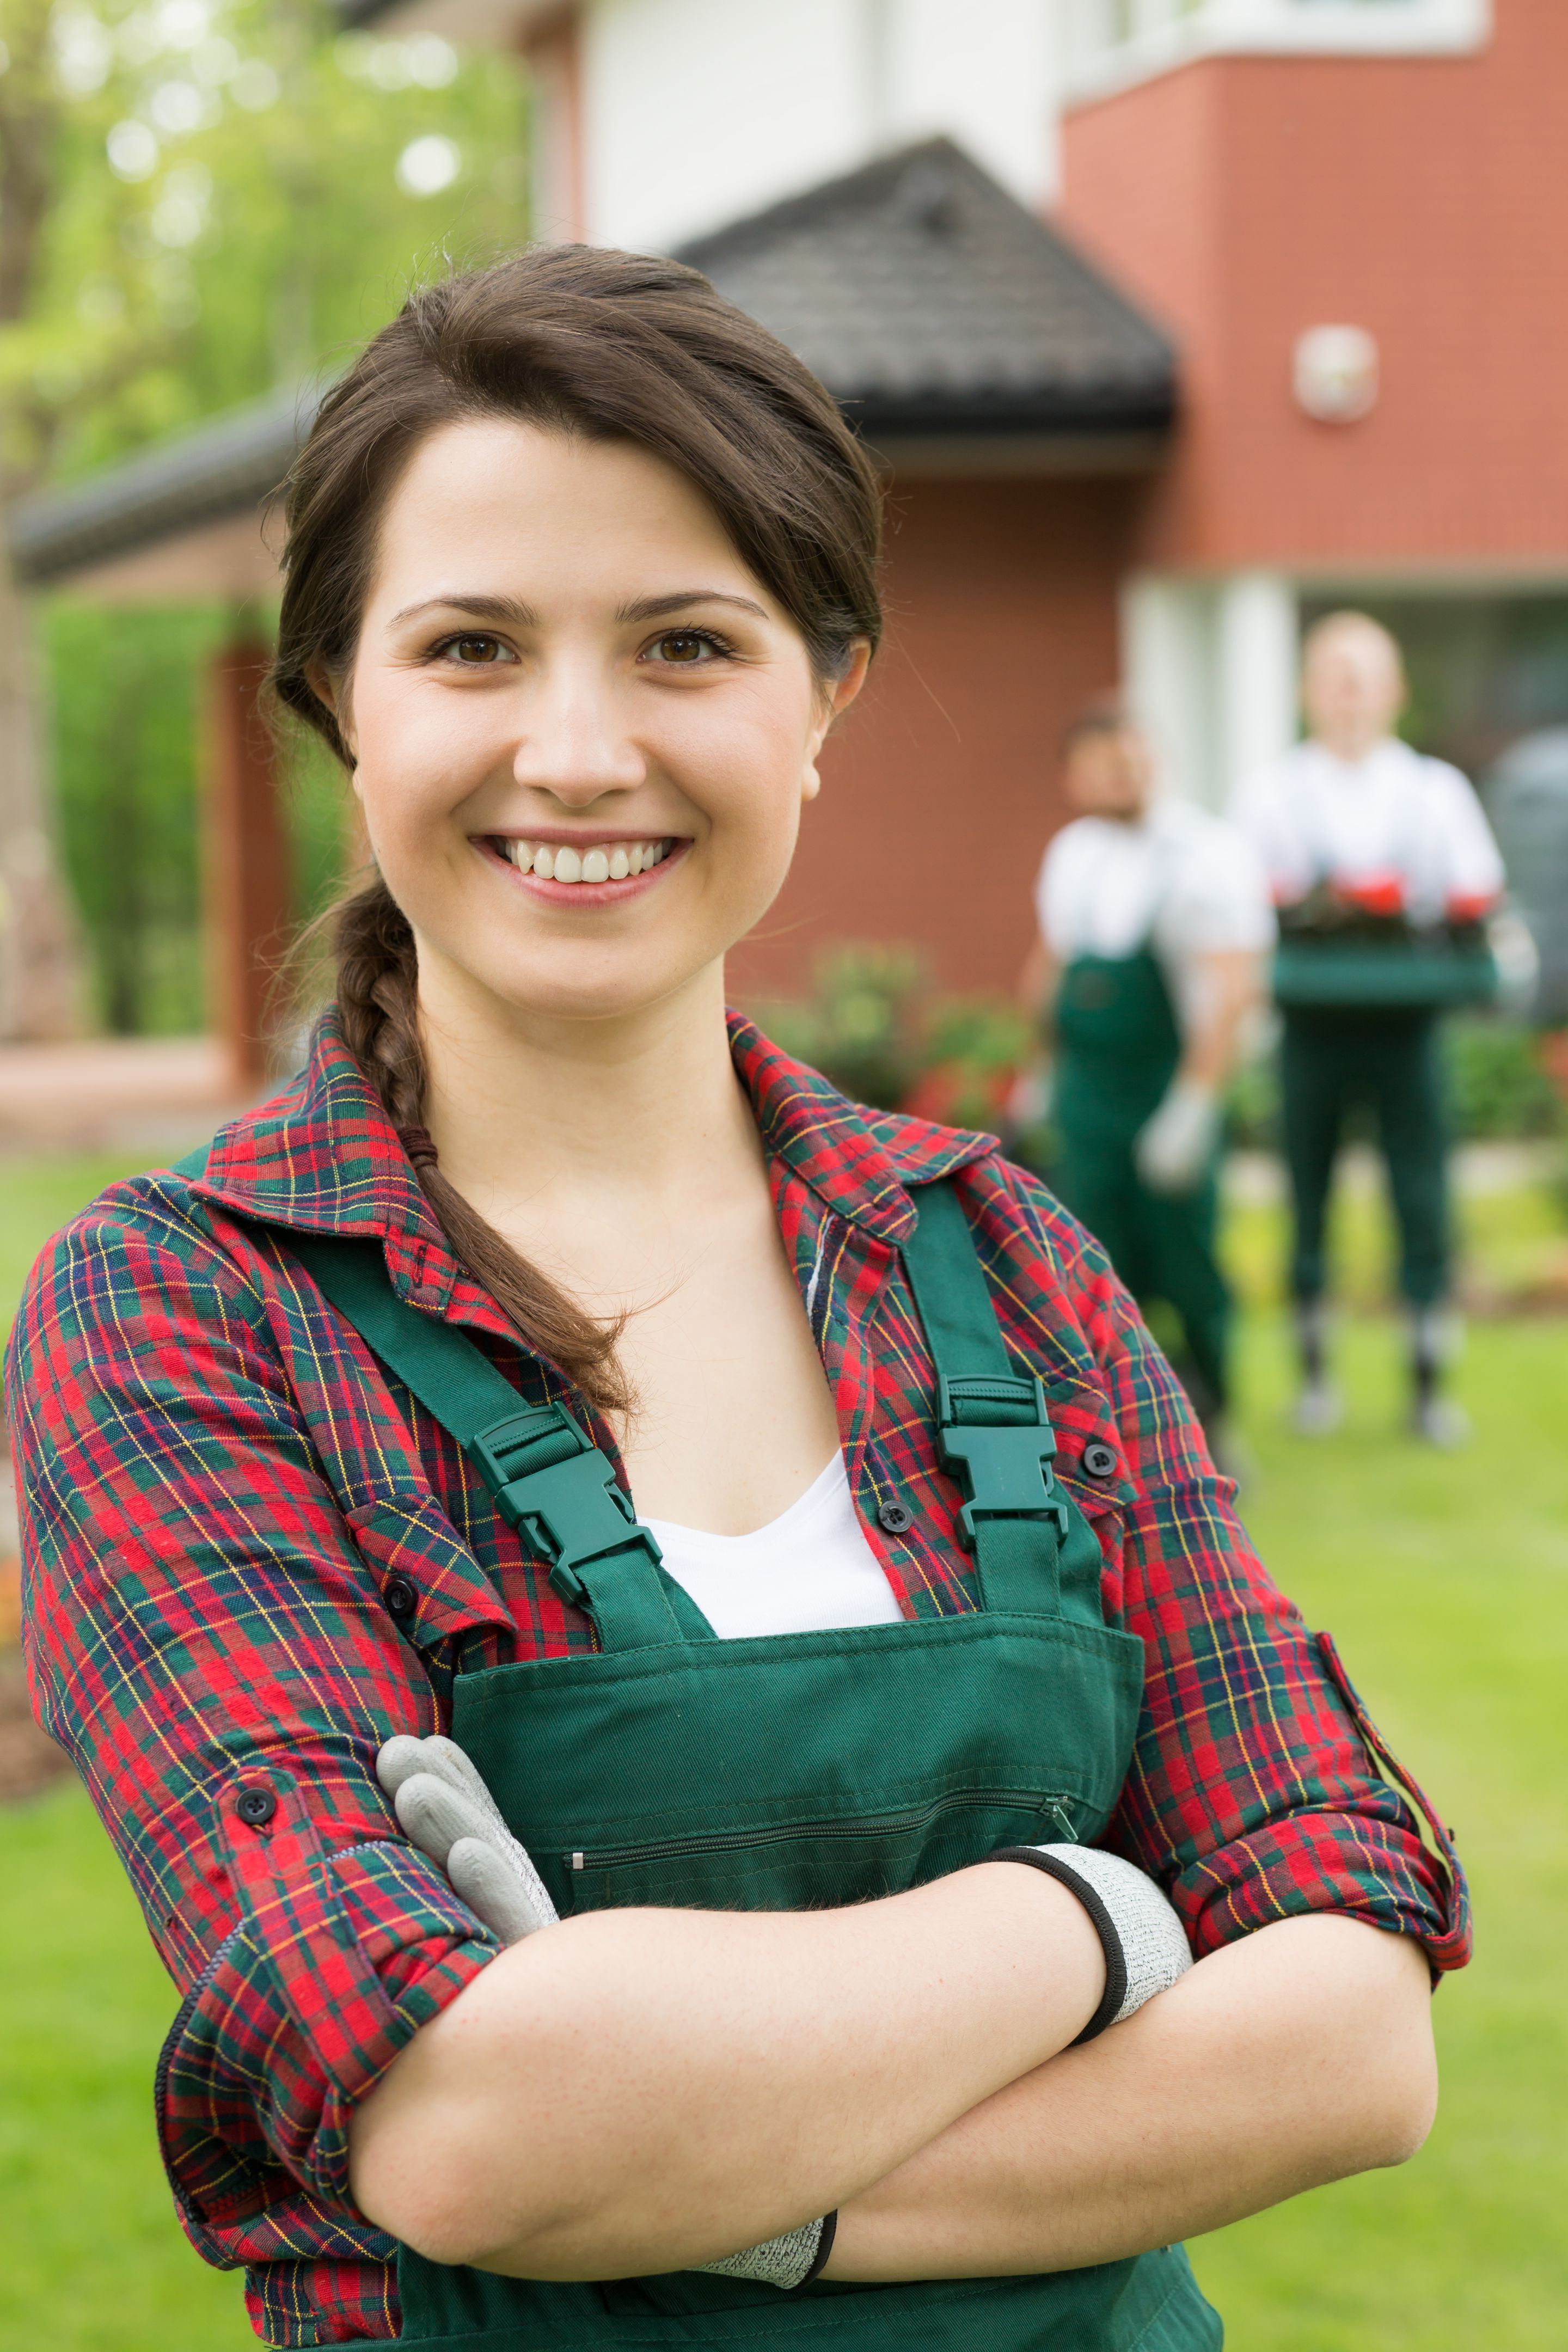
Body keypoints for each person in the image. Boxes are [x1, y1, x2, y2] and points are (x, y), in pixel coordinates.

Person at [8, 253, 1465, 2352]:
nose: (579, 751)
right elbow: (466, 2125)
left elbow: (1350, 2034)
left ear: (824, 699)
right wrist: (1092, 1915)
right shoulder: (185, 1322)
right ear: (344, 698)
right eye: (472, 647)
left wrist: (723, 2182)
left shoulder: (1006, 1261)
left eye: (687, 643)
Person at [1230, 612, 1505, 1445]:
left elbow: (1473, 895)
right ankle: (1314, 1373)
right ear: (1308, 691)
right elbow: (1247, 899)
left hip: (1406, 1024)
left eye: (1365, 675)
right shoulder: (1272, 792)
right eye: (1333, 675)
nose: (1349, 693)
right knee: (1306, 1192)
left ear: (1395, 691)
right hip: (1311, 1024)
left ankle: (1428, 1377)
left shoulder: (1435, 791)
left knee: (1421, 1193)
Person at [1017, 703, 1274, 1456]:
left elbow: (1231, 990)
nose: (1121, 770)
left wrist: (1195, 1105)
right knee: (1089, 1264)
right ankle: (1111, 1433)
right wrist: (1037, 1070)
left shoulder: (1204, 855)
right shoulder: (1073, 854)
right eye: (1103, 758)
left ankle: (1215, 1420)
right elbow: (1053, 967)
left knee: (1188, 1262)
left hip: (1166, 1090)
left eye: (1132, 754)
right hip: (1089, 1098)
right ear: (1075, 776)